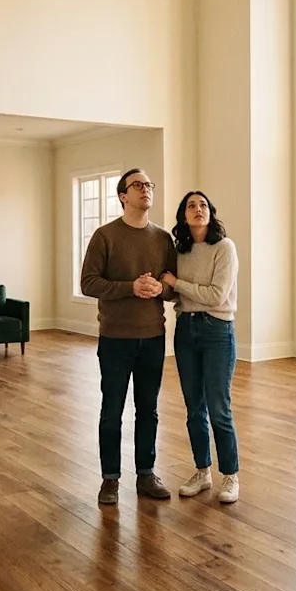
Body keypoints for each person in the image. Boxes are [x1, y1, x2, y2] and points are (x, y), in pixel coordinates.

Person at [80, 168, 178, 505]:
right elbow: (88, 283)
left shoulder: (163, 239)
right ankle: (110, 479)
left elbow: (172, 288)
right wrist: (130, 287)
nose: (146, 190)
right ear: (123, 195)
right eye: (138, 185)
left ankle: (146, 474)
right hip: (115, 339)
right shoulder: (105, 236)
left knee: (148, 411)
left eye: (149, 185)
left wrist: (159, 288)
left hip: (153, 338)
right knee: (112, 410)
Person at [160, 190, 240, 503]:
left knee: (219, 408)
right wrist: (165, 286)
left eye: (203, 205)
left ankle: (230, 476)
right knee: (194, 408)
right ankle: (202, 472)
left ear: (211, 212)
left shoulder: (224, 247)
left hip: (217, 330)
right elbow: (175, 295)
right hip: (186, 330)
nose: (198, 209)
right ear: (183, 215)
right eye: (191, 206)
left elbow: (216, 295)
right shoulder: (180, 250)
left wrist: (177, 284)